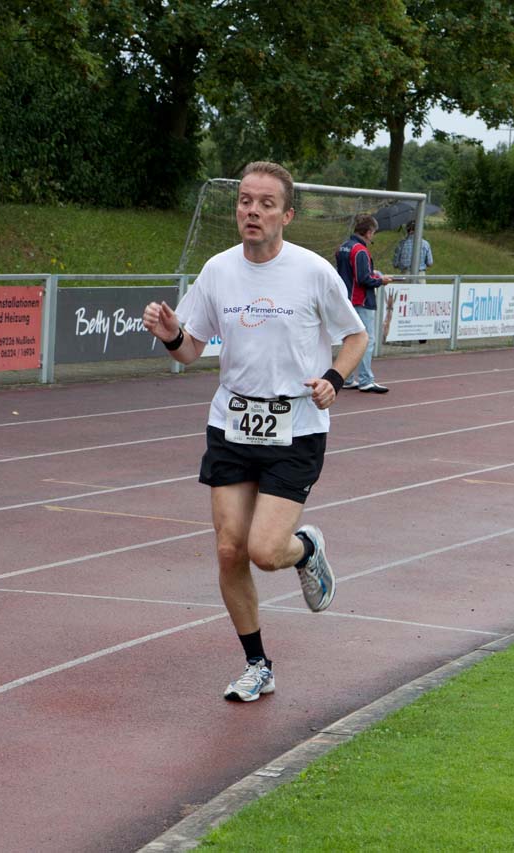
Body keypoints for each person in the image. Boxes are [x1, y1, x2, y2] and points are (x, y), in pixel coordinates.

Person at [142, 161, 368, 703]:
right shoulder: (218, 270)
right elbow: (190, 350)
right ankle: (257, 664)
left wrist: (334, 379)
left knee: (265, 552)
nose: (253, 211)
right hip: (232, 423)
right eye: (245, 200)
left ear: (286, 215)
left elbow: (355, 336)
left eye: (266, 203)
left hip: (297, 427)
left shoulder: (313, 270)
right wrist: (171, 335)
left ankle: (305, 548)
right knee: (229, 550)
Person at [335, 213, 391, 392]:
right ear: (368, 232)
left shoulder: (343, 247)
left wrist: (370, 272)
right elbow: (363, 279)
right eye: (373, 232)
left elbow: (351, 273)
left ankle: (347, 378)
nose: (373, 236)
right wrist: (381, 280)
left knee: (350, 339)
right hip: (361, 300)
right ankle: (366, 380)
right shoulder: (360, 250)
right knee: (366, 340)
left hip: (346, 299)